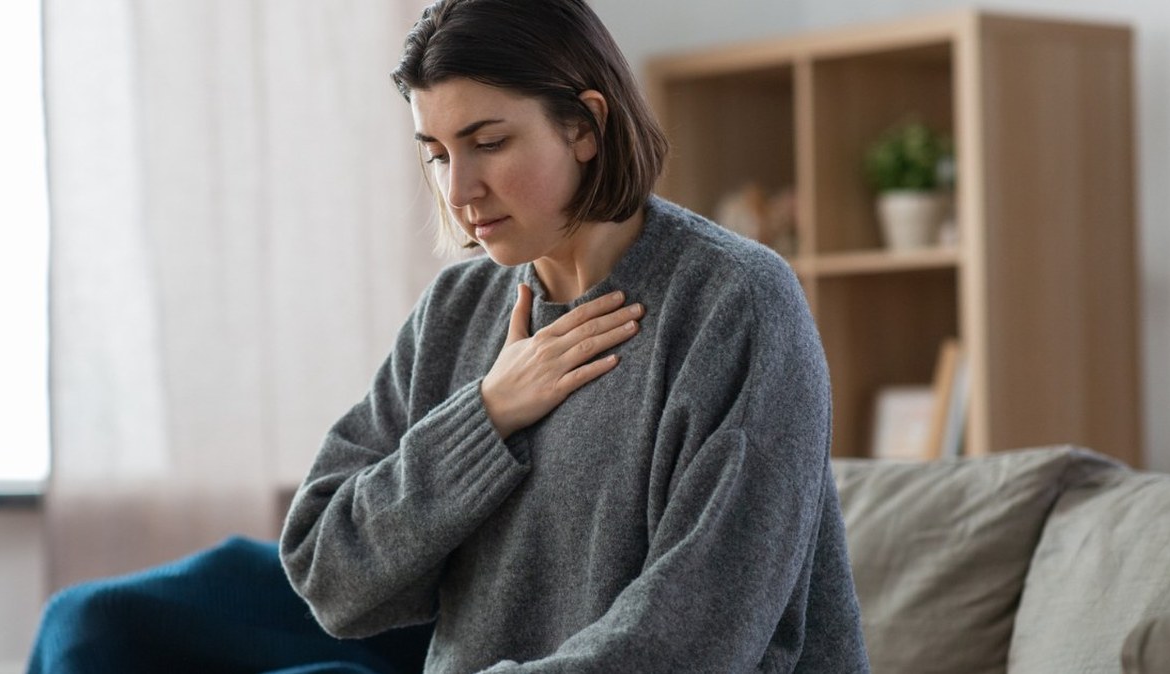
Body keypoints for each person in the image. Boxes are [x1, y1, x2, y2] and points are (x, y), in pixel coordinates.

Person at [278, 0, 869, 672]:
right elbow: (329, 577)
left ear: (584, 126)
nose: (459, 189)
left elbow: (697, 636)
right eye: (437, 154)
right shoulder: (454, 310)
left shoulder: (737, 302)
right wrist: (485, 414)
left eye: (488, 143)